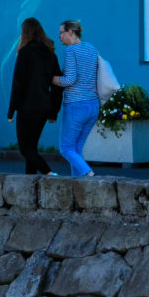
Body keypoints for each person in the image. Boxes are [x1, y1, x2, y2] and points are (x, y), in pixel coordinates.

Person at [5, 17, 60, 174]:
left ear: (25, 33)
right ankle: (30, 182)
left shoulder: (25, 52)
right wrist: (54, 110)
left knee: (25, 149)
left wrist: (11, 111)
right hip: (44, 107)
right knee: (32, 148)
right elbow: (57, 85)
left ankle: (50, 174)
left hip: (27, 107)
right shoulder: (51, 54)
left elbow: (18, 84)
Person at [51, 18, 102, 179]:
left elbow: (69, 80)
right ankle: (78, 183)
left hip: (76, 106)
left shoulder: (71, 51)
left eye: (61, 33)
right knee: (76, 149)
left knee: (66, 149)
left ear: (70, 32)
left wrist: (50, 78)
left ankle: (88, 173)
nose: (59, 37)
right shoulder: (92, 49)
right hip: (93, 105)